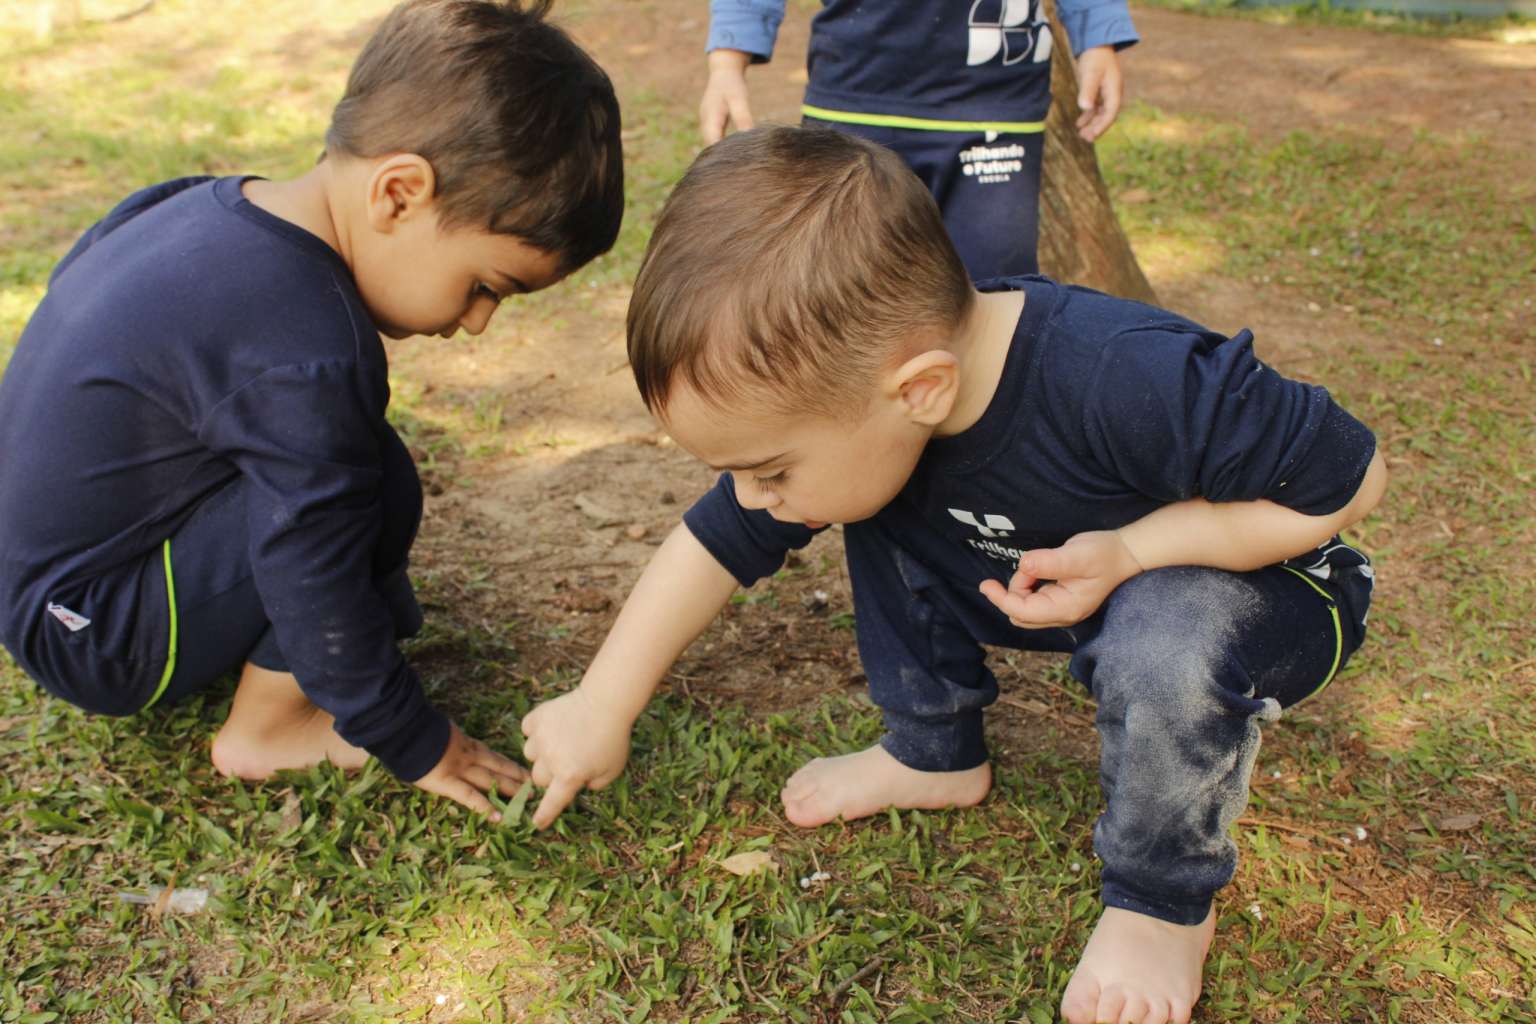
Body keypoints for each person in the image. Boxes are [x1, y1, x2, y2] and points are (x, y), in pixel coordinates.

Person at [520, 127, 1385, 1024]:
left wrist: (1136, 552)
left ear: (923, 386)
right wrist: (600, 704)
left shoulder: (1124, 374)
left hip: (1273, 586)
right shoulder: (875, 402)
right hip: (1064, 575)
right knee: (857, 494)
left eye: (768, 469)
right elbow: (711, 544)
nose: (755, 498)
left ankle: (1160, 902)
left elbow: (1351, 480)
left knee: (1166, 628)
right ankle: (932, 750)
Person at [0, 0, 623, 821]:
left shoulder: (196, 204)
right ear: (399, 194)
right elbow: (312, 563)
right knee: (365, 481)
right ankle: (268, 728)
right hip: (95, 636)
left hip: (42, 579)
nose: (474, 324)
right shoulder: (314, 346)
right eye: (484, 287)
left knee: (344, 464)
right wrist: (411, 734)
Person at [698, 0, 1139, 280]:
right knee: (846, 289)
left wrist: (1097, 32)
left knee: (993, 295)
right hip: (854, 101)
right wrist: (727, 61)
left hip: (993, 108)